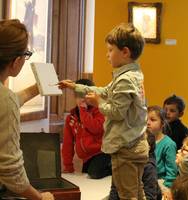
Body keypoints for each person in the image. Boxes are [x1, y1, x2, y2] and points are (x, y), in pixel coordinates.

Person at [58, 23, 149, 200]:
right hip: (135, 144)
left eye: (110, 50)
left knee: (127, 194)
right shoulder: (131, 74)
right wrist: (76, 86)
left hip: (125, 147)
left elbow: (116, 112)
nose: (107, 55)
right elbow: (105, 91)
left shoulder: (125, 80)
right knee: (137, 190)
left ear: (125, 52)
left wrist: (98, 103)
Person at [0, 19, 54, 200]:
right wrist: (40, 198)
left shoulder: (6, 98)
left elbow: (9, 100)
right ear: (16, 61)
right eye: (26, 54)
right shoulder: (5, 99)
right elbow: (12, 173)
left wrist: (36, 88)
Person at [62, 78, 111, 179]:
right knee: (88, 178)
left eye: (85, 95)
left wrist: (83, 109)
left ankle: (114, 167)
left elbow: (96, 128)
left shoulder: (99, 110)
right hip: (86, 157)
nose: (81, 99)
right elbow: (68, 143)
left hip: (102, 153)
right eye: (78, 95)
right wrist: (68, 166)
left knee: (94, 173)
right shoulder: (71, 118)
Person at [108, 131, 162, 200]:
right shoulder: (120, 163)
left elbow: (150, 196)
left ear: (147, 148)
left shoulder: (149, 168)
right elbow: (114, 190)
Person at [147, 106, 177, 199]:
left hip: (160, 184)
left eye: (152, 120)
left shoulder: (169, 144)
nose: (147, 123)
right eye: (146, 119)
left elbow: (171, 174)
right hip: (146, 181)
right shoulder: (143, 142)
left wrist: (163, 190)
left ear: (162, 124)